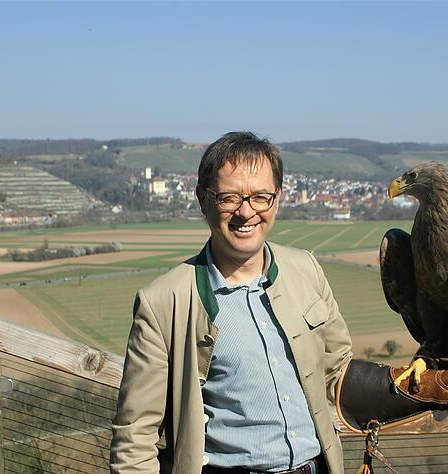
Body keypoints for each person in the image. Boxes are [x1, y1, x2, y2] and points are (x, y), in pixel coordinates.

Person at [110, 131, 353, 474]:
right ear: (202, 199)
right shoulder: (164, 302)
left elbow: (340, 372)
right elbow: (135, 439)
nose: (246, 212)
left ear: (277, 199)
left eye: (260, 197)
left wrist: (407, 386)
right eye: (228, 198)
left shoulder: (306, 269)